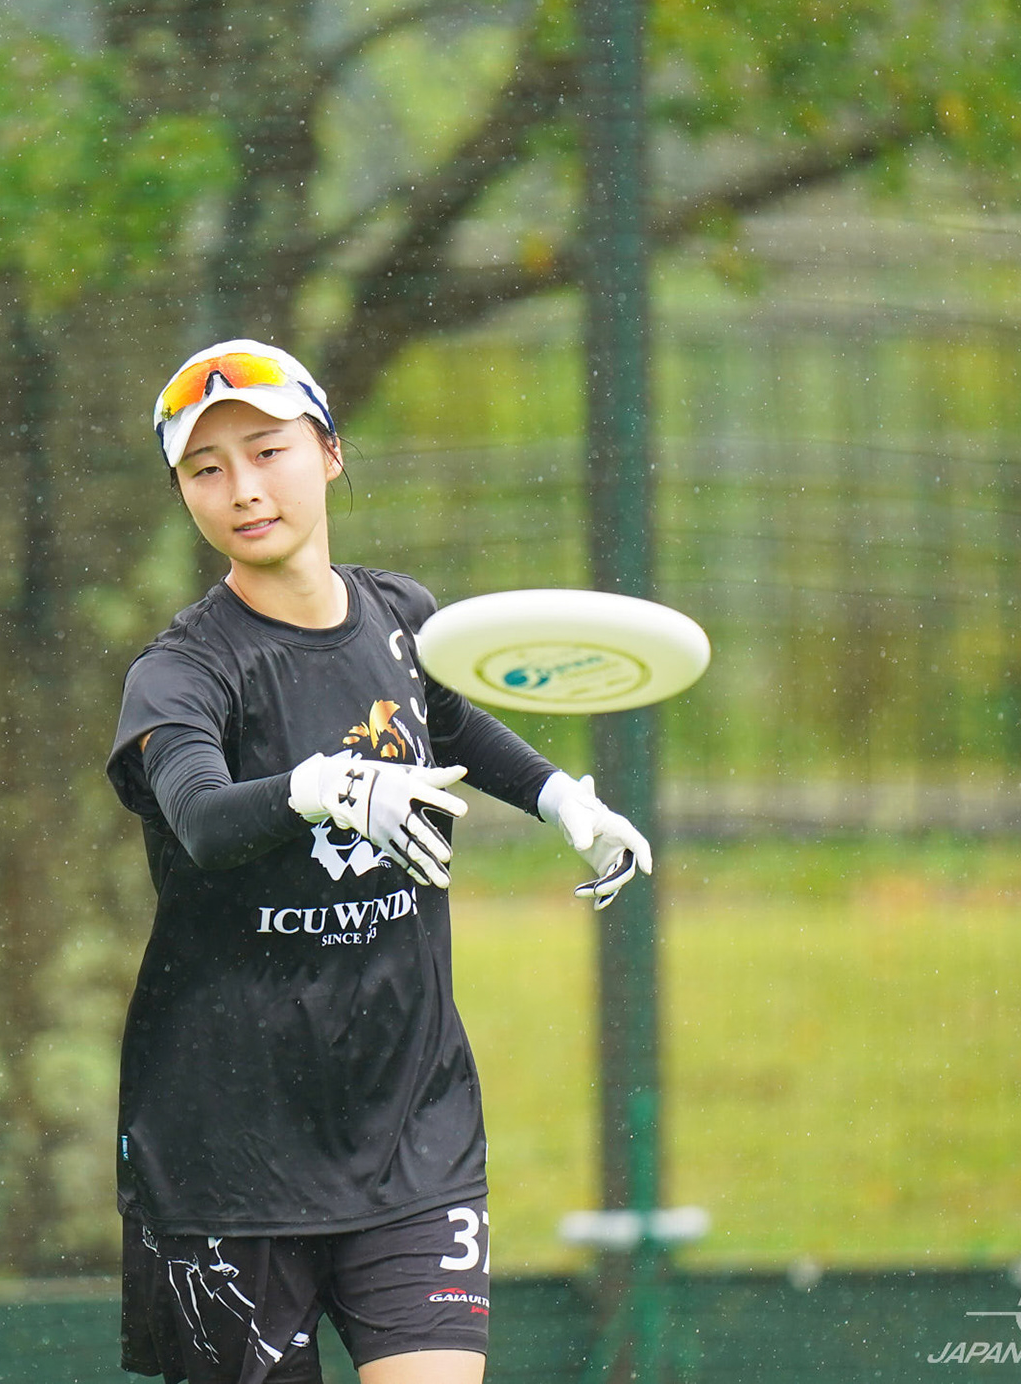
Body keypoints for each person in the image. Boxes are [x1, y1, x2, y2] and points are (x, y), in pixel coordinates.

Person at [104, 340, 653, 1384]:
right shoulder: (178, 675)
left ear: (331, 453)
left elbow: (451, 720)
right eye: (206, 469)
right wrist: (323, 787)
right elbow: (203, 818)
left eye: (268, 451)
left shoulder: (404, 619)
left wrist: (560, 798)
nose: (243, 488)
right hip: (228, 1158)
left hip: (410, 1131)